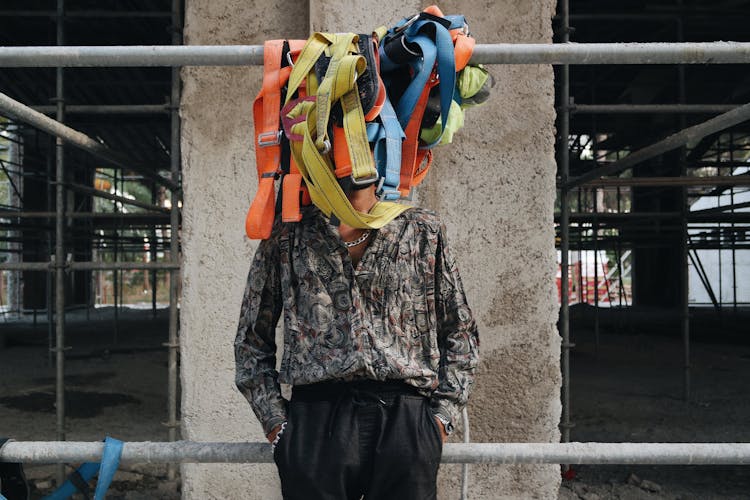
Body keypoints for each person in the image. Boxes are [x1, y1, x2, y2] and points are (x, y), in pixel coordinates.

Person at [234, 182, 479, 500]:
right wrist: (276, 424)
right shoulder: (287, 233)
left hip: (405, 419)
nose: (351, 153)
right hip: (316, 420)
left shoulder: (421, 229)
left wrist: (441, 418)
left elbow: (460, 331)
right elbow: (251, 338)